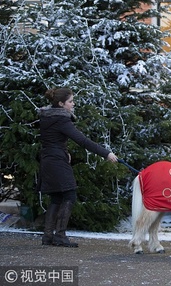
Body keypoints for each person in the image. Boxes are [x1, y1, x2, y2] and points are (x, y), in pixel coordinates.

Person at [38, 88, 118, 247]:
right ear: (61, 104)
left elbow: (52, 139)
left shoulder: (47, 117)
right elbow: (82, 141)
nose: (73, 104)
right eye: (70, 101)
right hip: (57, 161)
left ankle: (48, 236)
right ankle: (60, 235)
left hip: (48, 159)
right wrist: (106, 153)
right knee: (70, 195)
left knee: (56, 197)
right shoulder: (61, 120)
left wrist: (64, 151)